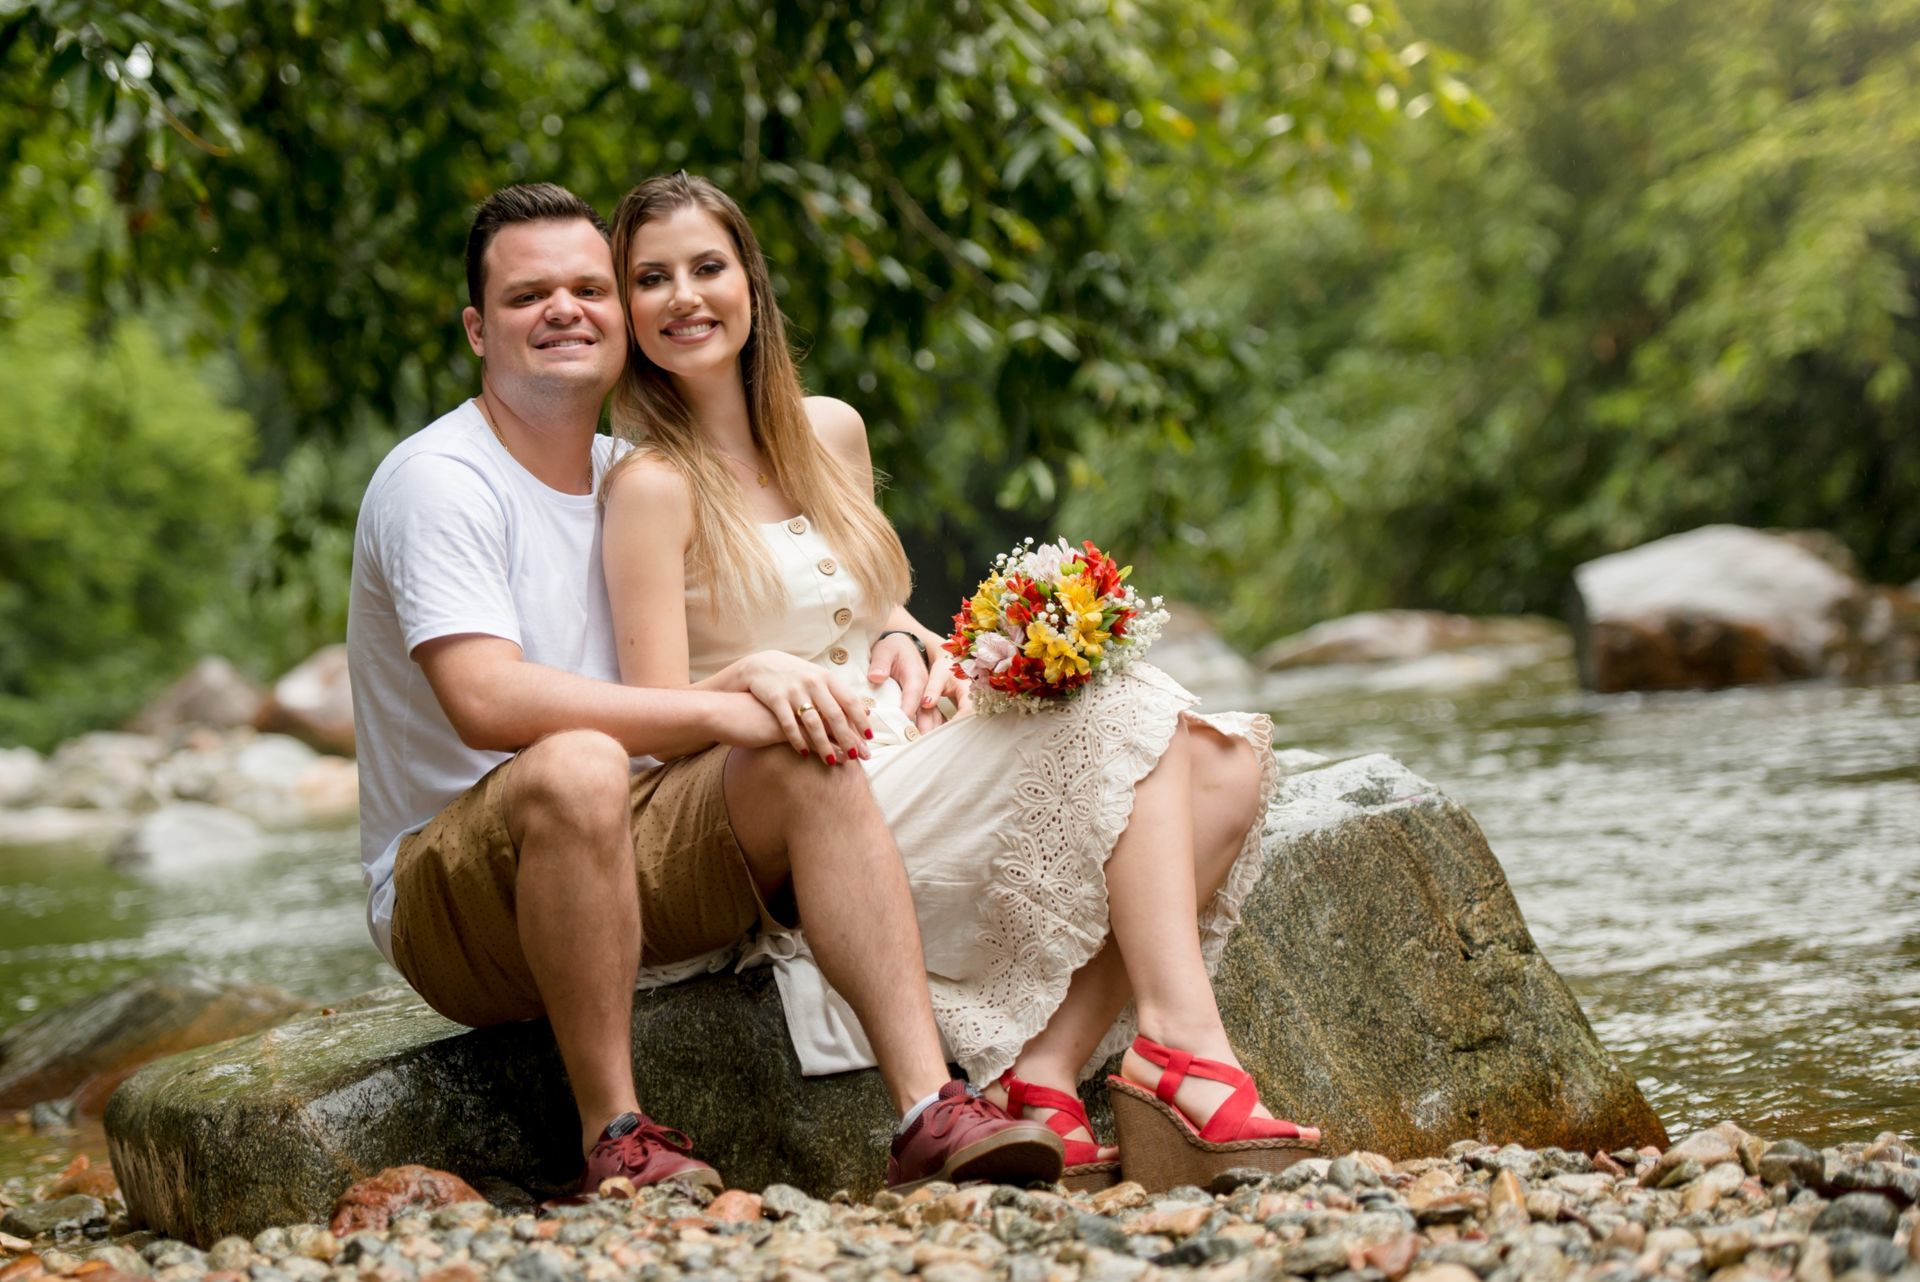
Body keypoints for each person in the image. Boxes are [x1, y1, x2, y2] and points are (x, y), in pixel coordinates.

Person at [598, 172, 1323, 1192]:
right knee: (1137, 710)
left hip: (912, 738)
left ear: (751, 283)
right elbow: (658, 721)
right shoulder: (649, 486)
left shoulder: (830, 432)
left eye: (707, 267)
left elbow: (862, 599)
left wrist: (909, 637)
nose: (684, 296)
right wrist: (765, 674)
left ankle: (1047, 1069)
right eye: (651, 277)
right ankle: (1181, 1047)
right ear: (625, 309)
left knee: (1223, 764)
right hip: (814, 797)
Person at [346, 181, 1064, 1195]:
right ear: (476, 327)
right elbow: (487, 701)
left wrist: (891, 629)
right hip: (453, 891)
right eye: (526, 295)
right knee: (585, 761)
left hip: (626, 831)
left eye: (590, 288)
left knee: (808, 746)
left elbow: (785, 599)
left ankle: (928, 1110)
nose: (566, 310)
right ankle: (616, 1134)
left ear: (621, 318)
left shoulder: (624, 471)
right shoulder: (442, 481)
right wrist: (728, 698)